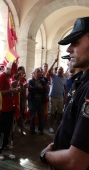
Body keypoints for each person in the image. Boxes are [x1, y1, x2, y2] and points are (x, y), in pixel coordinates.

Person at [40, 16, 89, 170]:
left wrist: (45, 156)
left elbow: (76, 162)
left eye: (75, 42)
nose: (68, 49)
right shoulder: (83, 81)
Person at [0, 61, 19, 159]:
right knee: (0, 129)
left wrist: (12, 86)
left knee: (6, 129)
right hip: (3, 108)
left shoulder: (7, 77)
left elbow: (6, 88)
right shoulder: (1, 77)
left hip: (9, 107)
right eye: (12, 71)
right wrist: (11, 90)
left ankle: (4, 145)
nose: (13, 74)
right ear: (7, 69)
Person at [48, 59, 67, 133]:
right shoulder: (54, 76)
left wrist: (64, 97)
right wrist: (54, 62)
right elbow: (49, 71)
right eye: (59, 69)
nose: (60, 70)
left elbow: (65, 88)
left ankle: (57, 125)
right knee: (52, 113)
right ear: (57, 70)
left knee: (60, 113)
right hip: (53, 97)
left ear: (63, 71)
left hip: (60, 98)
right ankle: (50, 126)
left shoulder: (64, 79)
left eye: (61, 69)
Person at [27, 68, 47, 135]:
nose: (39, 73)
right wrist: (38, 87)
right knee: (32, 116)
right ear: (34, 73)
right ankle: (32, 129)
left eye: (40, 72)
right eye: (37, 72)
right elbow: (30, 89)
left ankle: (40, 130)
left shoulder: (43, 82)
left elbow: (44, 90)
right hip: (32, 101)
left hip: (40, 101)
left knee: (40, 116)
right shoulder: (31, 81)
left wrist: (35, 88)